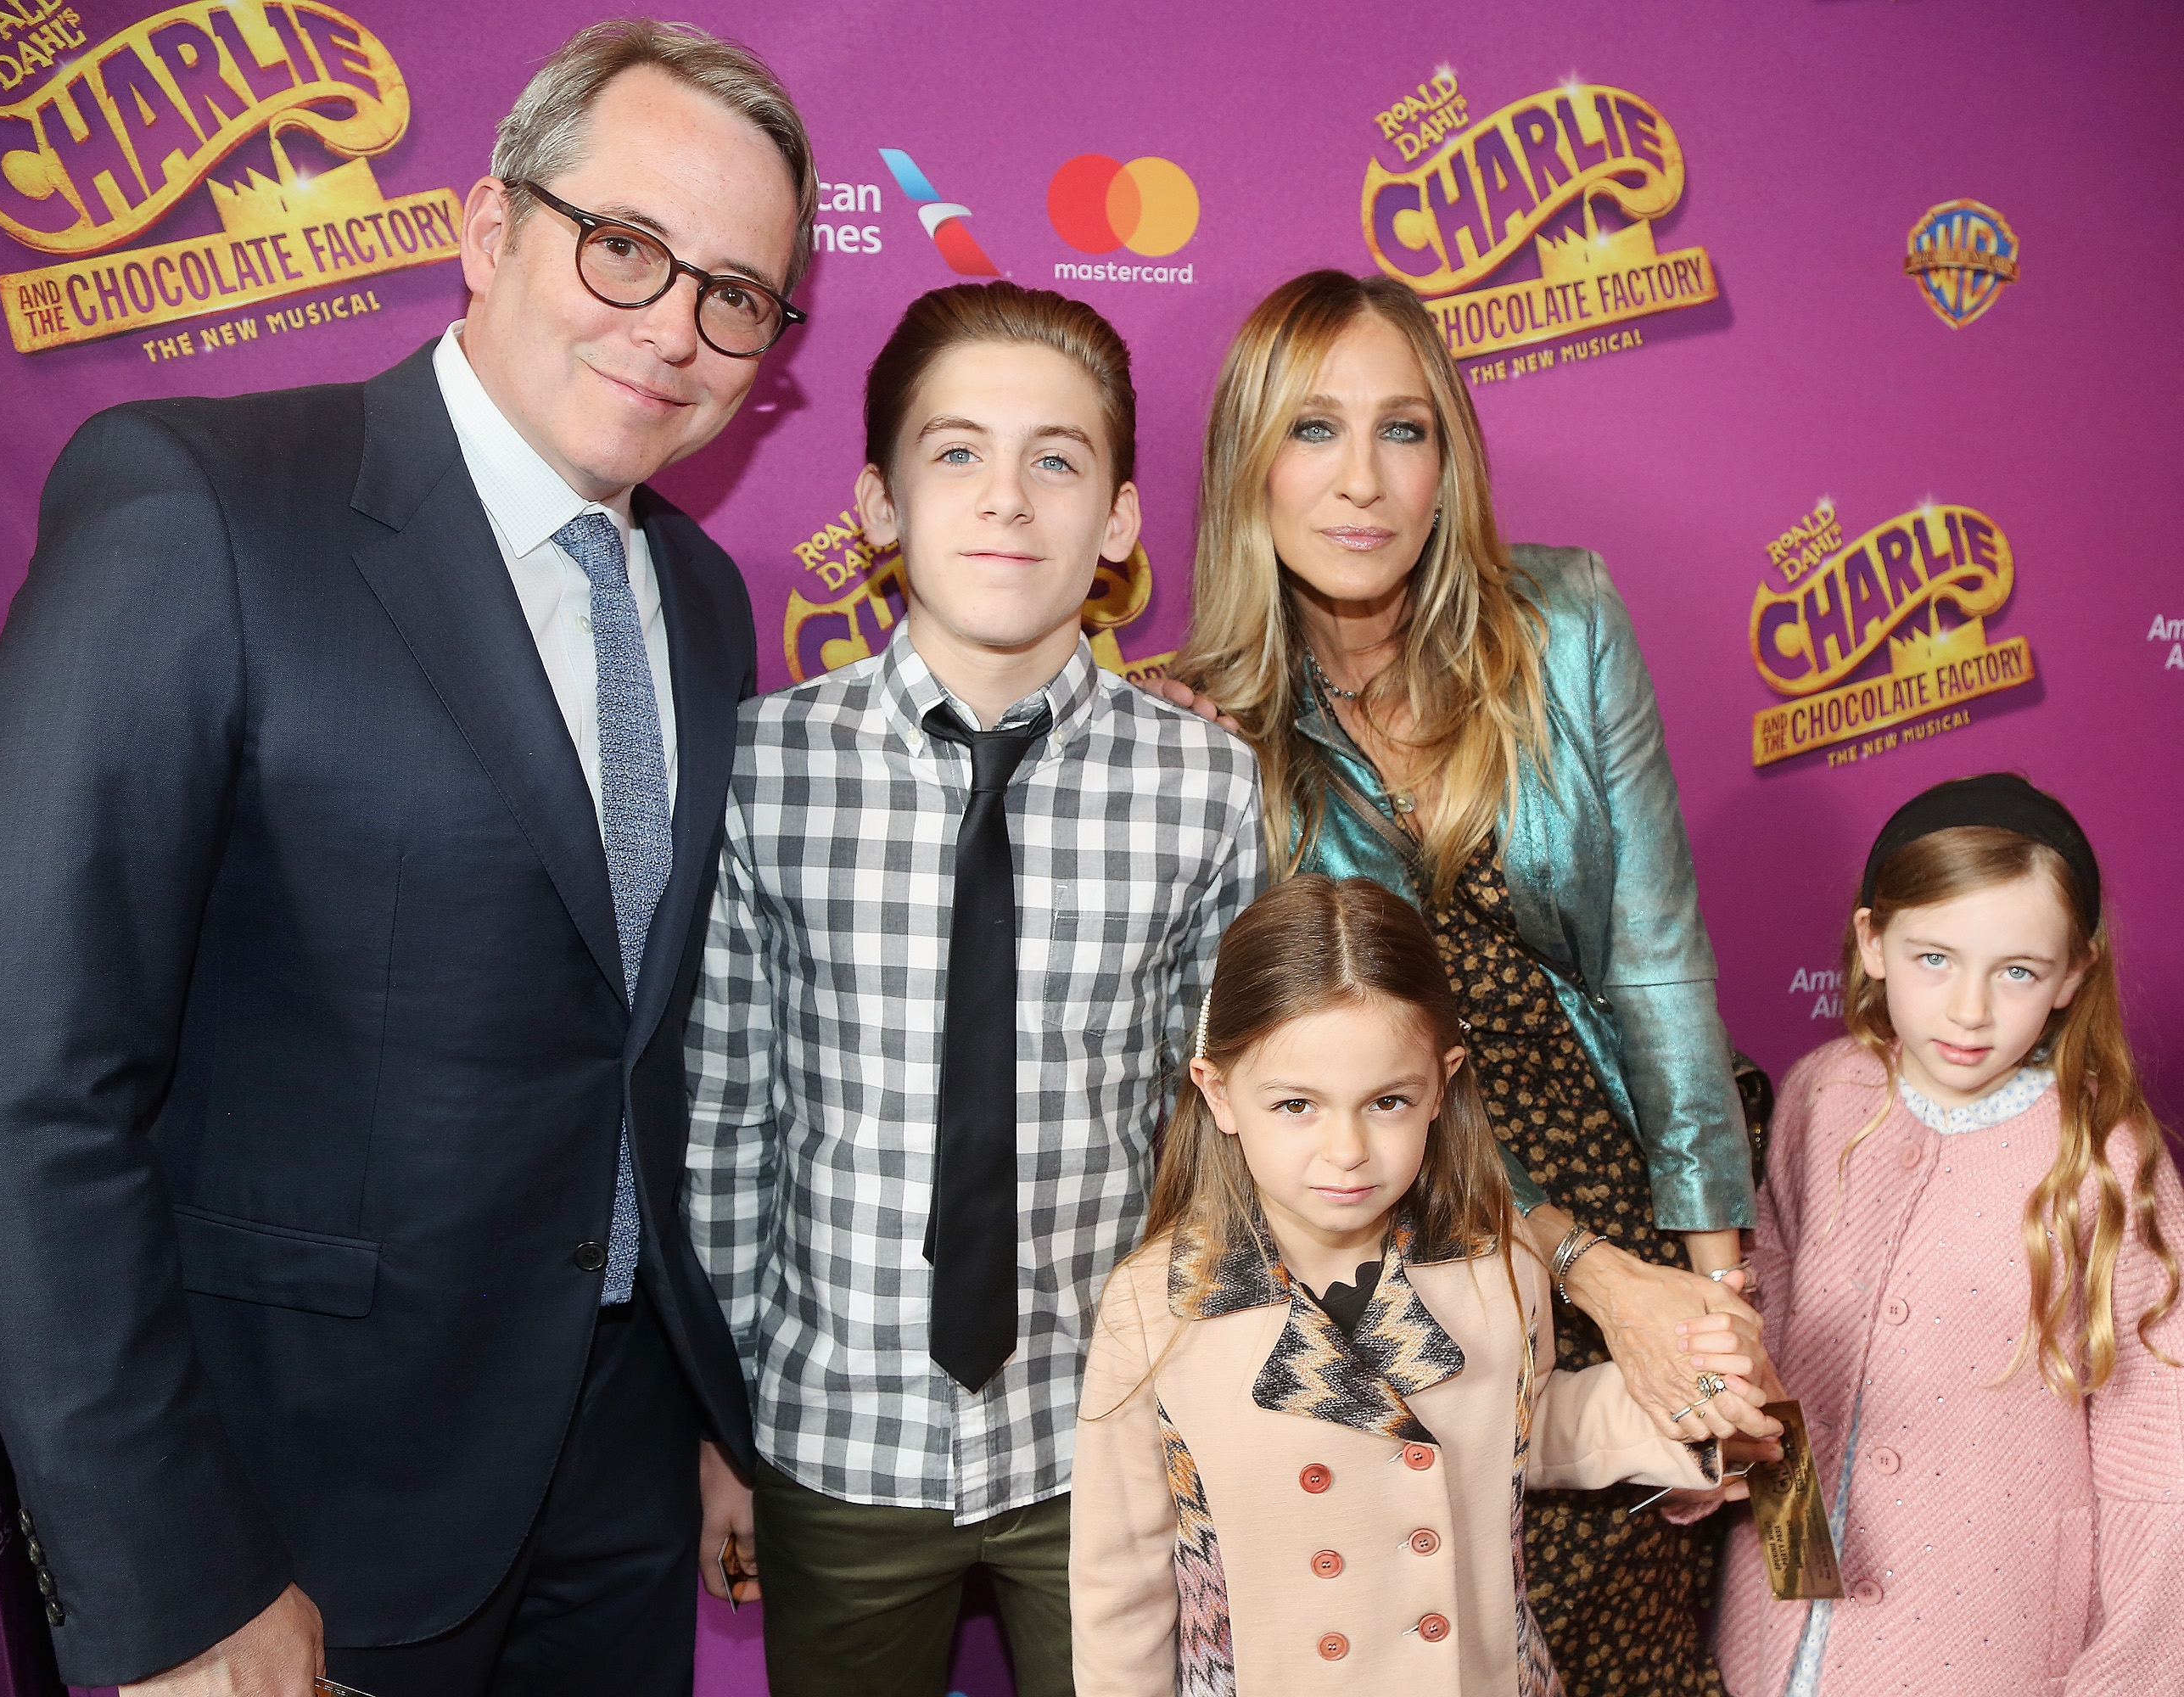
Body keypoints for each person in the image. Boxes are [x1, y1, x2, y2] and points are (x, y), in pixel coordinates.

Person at [0, 21, 813, 1696]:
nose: (675, 326)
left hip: (613, 1489)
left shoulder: (700, 601)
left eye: (736, 295)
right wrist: (175, 1578)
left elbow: (641, 1048)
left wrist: (704, 1414)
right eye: (625, 247)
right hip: (287, 1512)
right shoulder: (204, 506)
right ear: (487, 231)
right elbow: (21, 1085)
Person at [1162, 268, 1770, 1693]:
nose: (1363, 481)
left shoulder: (1563, 623)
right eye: (1312, 431)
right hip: (1406, 1261)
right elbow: (1299, 1101)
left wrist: (1712, 1296)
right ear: (1246, 462)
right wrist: (1596, 1279)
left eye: (1406, 429)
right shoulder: (1205, 733)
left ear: (1451, 459)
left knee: (1640, 1641)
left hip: (1628, 1195)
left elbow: (1656, 965)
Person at [683, 280, 1263, 1697]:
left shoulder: (1205, 786)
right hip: (836, 1437)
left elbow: (1230, 1139)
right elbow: (727, 1128)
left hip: (1113, 1438)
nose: (1006, 498)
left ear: (1120, 520)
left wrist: (1216, 1407)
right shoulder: (762, 769)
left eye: (1056, 459)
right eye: (956, 453)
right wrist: (719, 1427)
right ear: (877, 502)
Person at [1071, 874, 1769, 1694]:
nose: (1347, 1149)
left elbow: (1516, 1428)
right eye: (1296, 1105)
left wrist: (1693, 1408)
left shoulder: (1497, 1263)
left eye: (1388, 1102)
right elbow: (1122, 1584)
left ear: (1442, 1085)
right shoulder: (1158, 1302)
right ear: (1219, 1094)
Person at [1715, 774, 2184, 1695]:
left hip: (1985, 1635)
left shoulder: (2107, 1156)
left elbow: (2171, 1454)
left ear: (2072, 973)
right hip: (1790, 1606)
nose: (1970, 1008)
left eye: (2016, 970)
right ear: (1872, 941)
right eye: (1935, 957)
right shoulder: (1822, 1090)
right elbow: (1769, 1334)